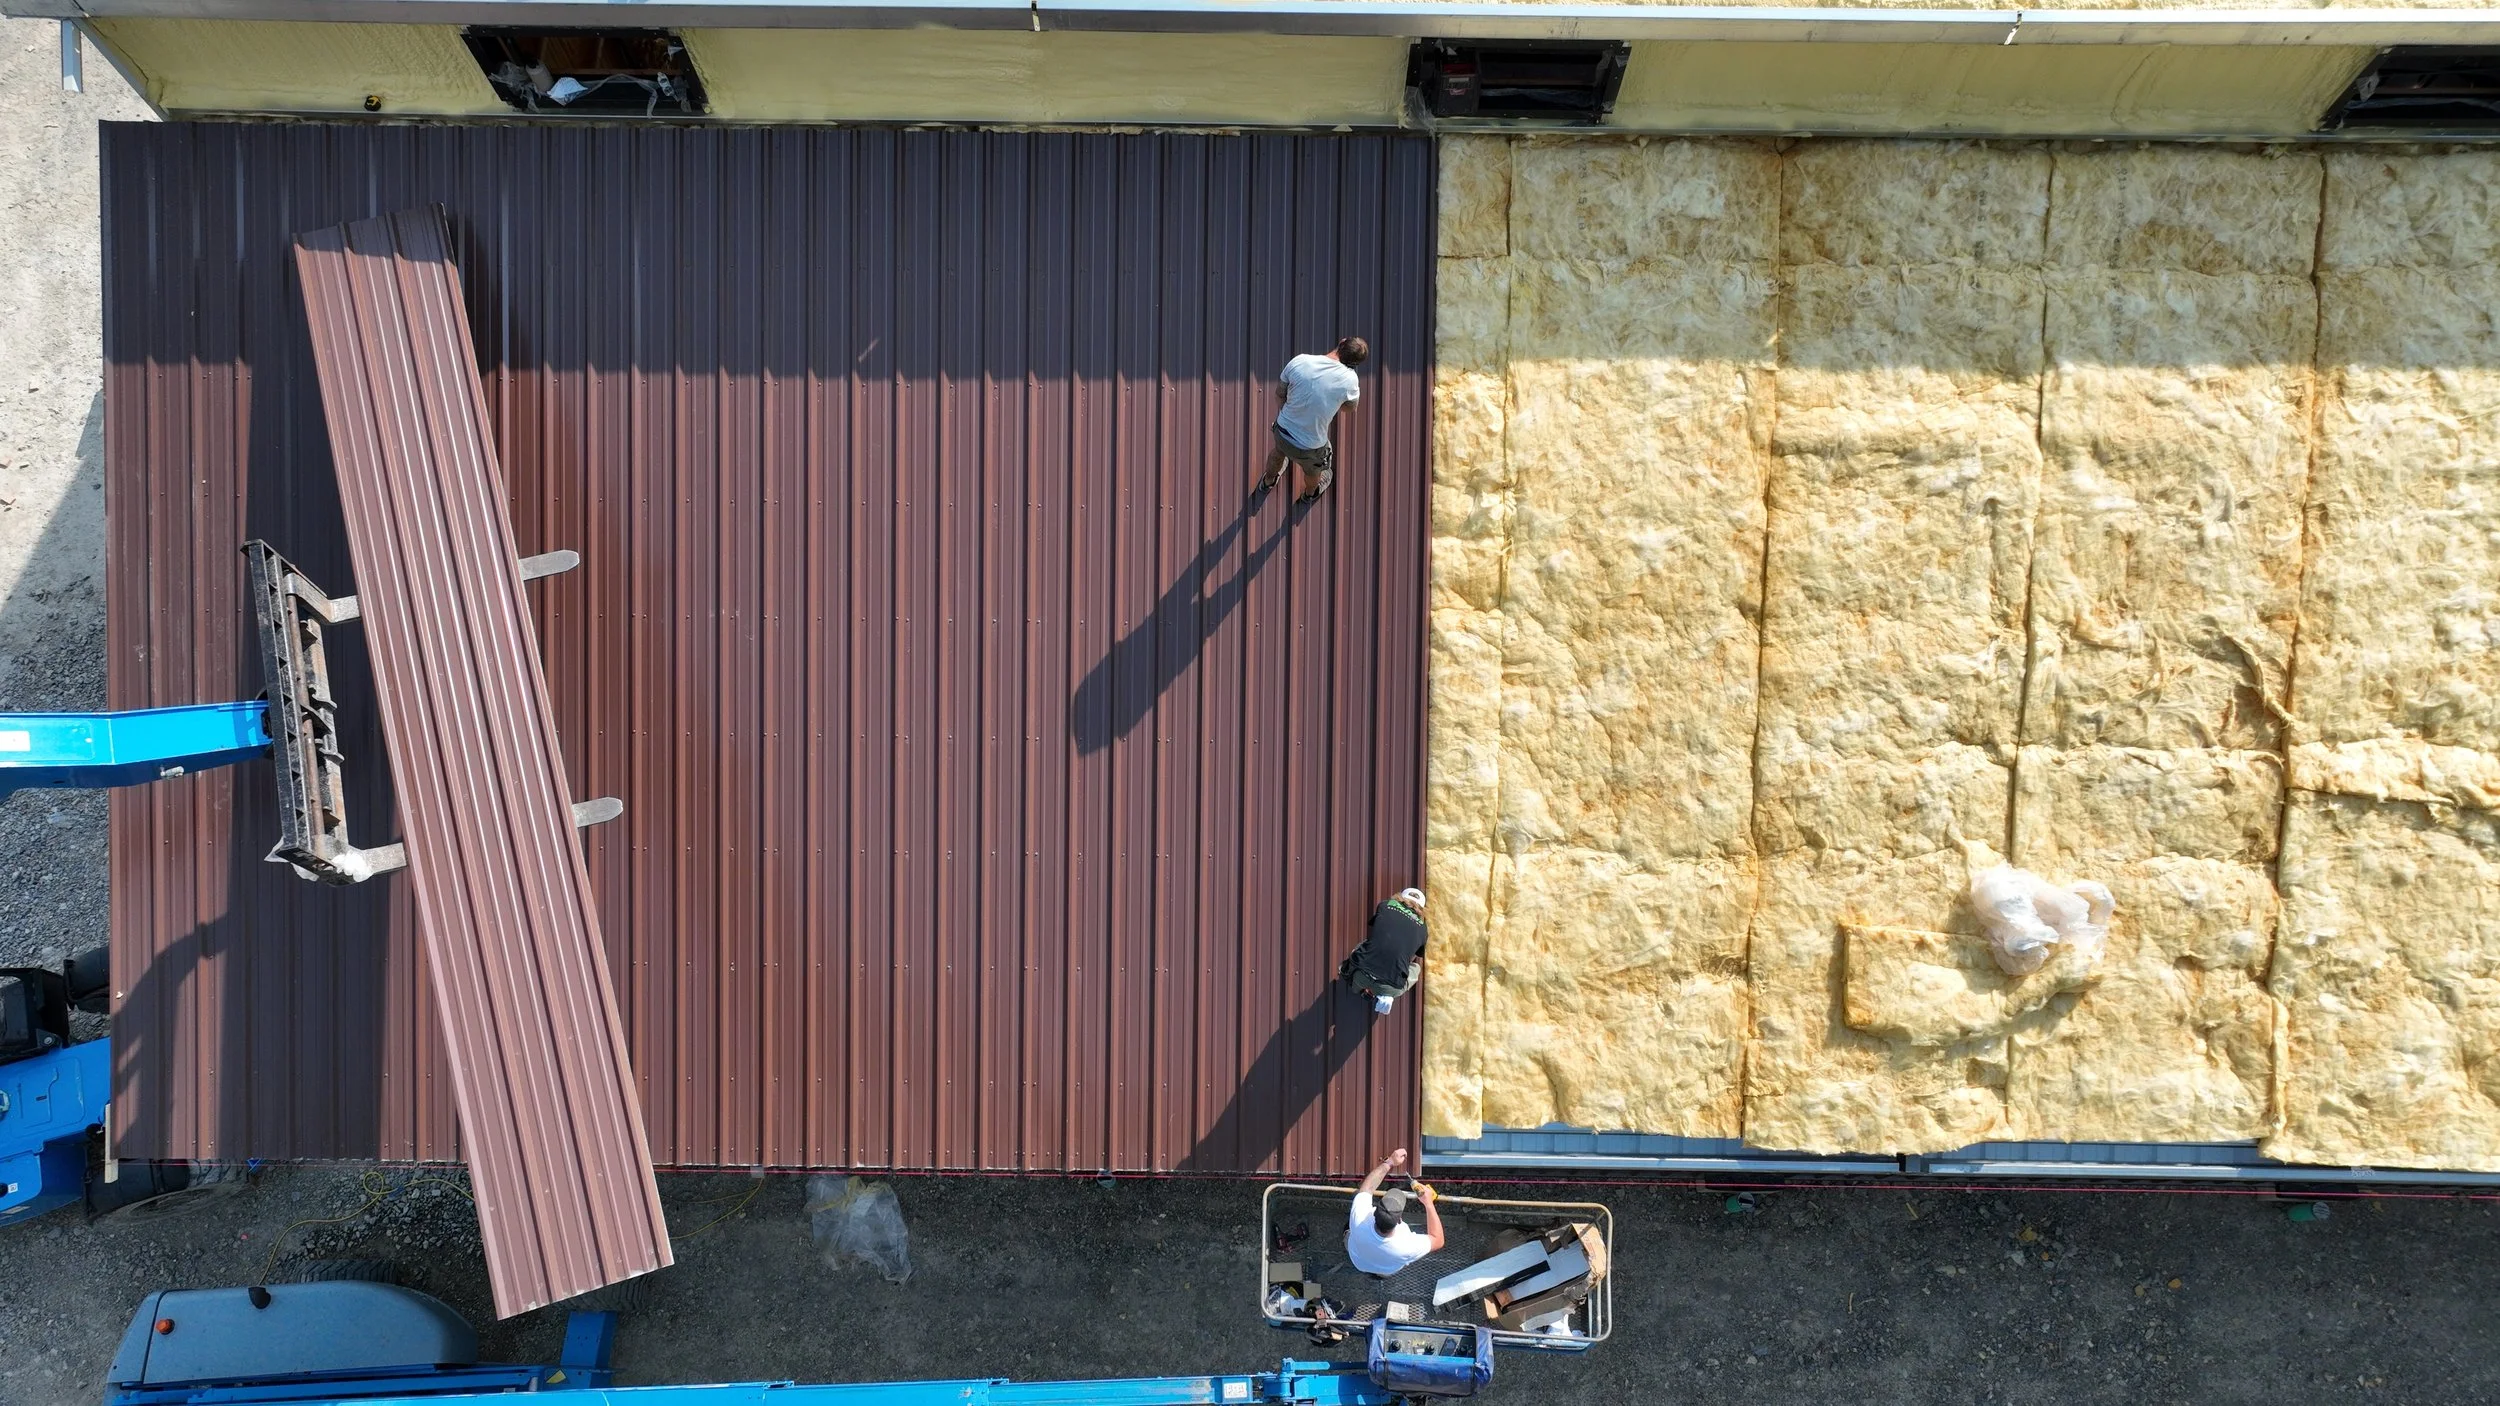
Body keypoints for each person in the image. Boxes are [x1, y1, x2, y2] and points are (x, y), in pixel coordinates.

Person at [1256, 336, 1368, 505]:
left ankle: (1268, 482)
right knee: (1313, 471)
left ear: (1342, 342)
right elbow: (1349, 408)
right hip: (1311, 445)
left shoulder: (1300, 361)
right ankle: (1310, 493)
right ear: (1354, 363)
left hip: (1283, 430)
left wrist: (1291, 417)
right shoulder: (1350, 381)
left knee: (1278, 452)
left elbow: (1280, 393)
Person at [1345, 1146, 1443, 1278]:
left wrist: (1390, 1162)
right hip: (1385, 1268)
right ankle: (1379, 1275)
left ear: (1374, 1213)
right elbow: (1438, 1240)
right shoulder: (1405, 1246)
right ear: (1400, 1220)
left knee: (1350, 1230)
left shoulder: (1359, 1221)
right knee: (1383, 1273)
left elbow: (1366, 1188)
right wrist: (1428, 1203)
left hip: (1359, 1261)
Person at [1341, 887, 1427, 1015]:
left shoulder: (1385, 905)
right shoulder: (1423, 929)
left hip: (1360, 976)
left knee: (1367, 944)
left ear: (1400, 897)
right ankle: (1385, 995)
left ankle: (1366, 988)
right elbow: (1412, 957)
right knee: (1415, 967)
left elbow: (1377, 930)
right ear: (1422, 908)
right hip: (1391, 986)